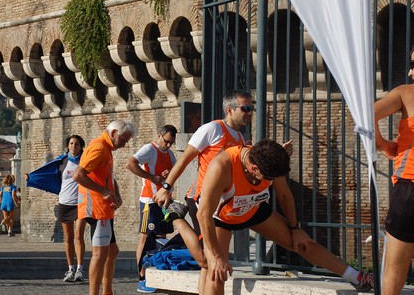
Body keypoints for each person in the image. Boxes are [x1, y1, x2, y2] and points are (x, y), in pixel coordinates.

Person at [187, 139, 374, 295]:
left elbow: (284, 195)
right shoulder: (222, 166)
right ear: (253, 168)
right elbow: (203, 214)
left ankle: (356, 278)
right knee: (217, 270)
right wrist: (217, 257)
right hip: (221, 217)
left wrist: (295, 229)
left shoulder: (268, 162)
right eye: (268, 178)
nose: (271, 182)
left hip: (251, 208)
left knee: (302, 243)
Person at [154, 90, 252, 234]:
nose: (250, 112)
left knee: (210, 252)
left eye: (251, 108)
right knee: (206, 251)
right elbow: (184, 159)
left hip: (221, 202)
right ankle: (176, 218)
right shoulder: (213, 129)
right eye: (245, 108)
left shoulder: (240, 138)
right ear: (229, 110)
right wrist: (166, 187)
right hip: (201, 197)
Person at [73, 120, 135, 295]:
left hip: (103, 208)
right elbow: (78, 175)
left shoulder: (105, 148)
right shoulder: (100, 148)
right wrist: (104, 191)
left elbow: (107, 175)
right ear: (114, 132)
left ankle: (107, 291)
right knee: (100, 255)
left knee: (112, 251)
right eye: (123, 139)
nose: (125, 144)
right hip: (97, 208)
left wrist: (116, 193)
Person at [374, 52, 414, 295]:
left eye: (413, 64)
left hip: (410, 189)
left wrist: (382, 144)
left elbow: (365, 115)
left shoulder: (407, 93)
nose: (410, 71)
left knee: (394, 270)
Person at [125, 124, 177, 293]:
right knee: (146, 237)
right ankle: (141, 276)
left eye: (171, 143)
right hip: (149, 201)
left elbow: (174, 173)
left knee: (161, 238)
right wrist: (152, 178)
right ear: (159, 136)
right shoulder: (150, 149)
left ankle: (155, 273)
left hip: (164, 203)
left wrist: (167, 178)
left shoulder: (170, 154)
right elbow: (130, 164)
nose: (168, 145)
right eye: (167, 141)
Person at [58, 134, 88, 283]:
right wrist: (31, 177)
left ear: (81, 146)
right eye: (71, 143)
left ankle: (80, 269)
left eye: (76, 144)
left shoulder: (85, 161)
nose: (73, 146)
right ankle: (70, 269)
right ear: (67, 145)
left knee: (78, 236)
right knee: (68, 238)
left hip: (80, 202)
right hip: (64, 202)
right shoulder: (62, 161)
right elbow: (48, 174)